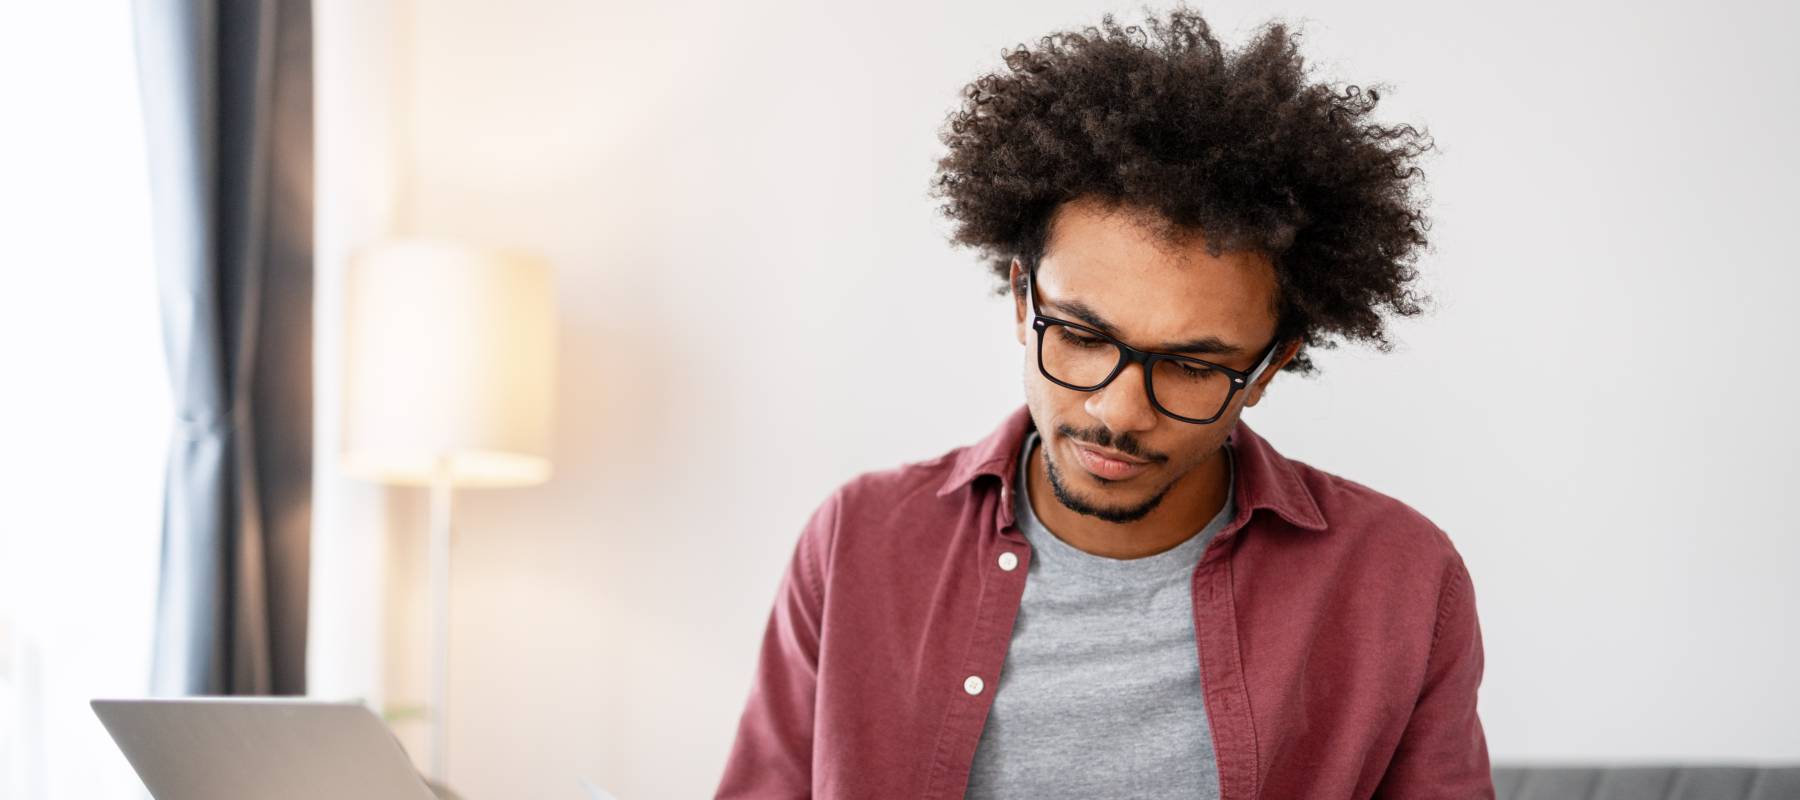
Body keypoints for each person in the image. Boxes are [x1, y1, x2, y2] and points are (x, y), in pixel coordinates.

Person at [716, 6, 1490, 799]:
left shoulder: (1400, 580)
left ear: (1267, 368)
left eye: (1191, 364)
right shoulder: (859, 543)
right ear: (1023, 299)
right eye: (1083, 337)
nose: (1119, 412)